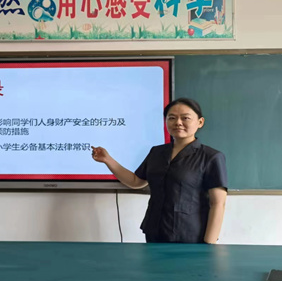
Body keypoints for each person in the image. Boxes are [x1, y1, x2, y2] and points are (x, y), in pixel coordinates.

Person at [91, 98, 227, 244]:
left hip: (189, 235)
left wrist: (209, 244)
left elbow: (218, 203)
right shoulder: (156, 152)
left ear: (200, 122)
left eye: (185, 118)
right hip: (155, 231)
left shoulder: (211, 157)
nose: (178, 122)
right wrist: (107, 159)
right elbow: (136, 182)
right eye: (172, 118)